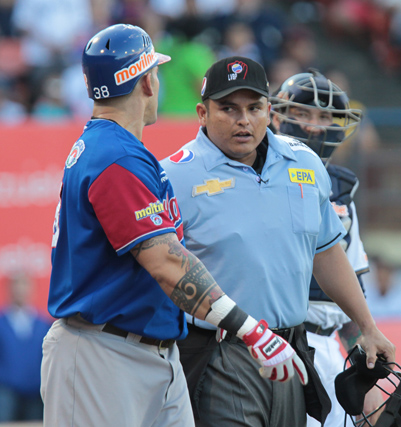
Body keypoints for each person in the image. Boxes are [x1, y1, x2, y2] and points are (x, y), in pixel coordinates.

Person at [42, 25, 306, 427]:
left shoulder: (116, 148)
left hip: (149, 352)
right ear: (146, 80)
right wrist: (252, 330)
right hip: (104, 353)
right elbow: (167, 263)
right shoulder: (115, 156)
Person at [160, 56, 395, 427]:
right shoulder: (172, 174)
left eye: (254, 108)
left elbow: (328, 253)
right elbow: (158, 268)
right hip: (220, 351)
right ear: (202, 113)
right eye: (228, 108)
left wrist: (367, 326)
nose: (244, 119)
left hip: (292, 349)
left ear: (269, 111)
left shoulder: (305, 163)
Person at [269, 69, 383, 426]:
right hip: (276, 341)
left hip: (329, 344)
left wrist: (365, 365)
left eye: (323, 116)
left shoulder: (342, 190)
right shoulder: (256, 176)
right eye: (302, 113)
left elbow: (352, 293)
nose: (314, 126)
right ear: (276, 115)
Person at [0, 272, 51, 422]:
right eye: (16, 285)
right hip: (6, 392)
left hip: (36, 393)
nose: (20, 290)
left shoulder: (44, 324)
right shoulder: (2, 322)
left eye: (24, 285)